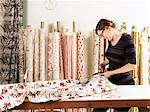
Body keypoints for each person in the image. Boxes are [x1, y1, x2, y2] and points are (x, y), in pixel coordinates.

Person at [93, 19, 136, 112]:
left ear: (108, 28)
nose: (102, 37)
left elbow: (131, 65)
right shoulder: (110, 40)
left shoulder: (126, 39)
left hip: (125, 84)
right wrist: (104, 63)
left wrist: (111, 72)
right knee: (97, 110)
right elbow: (114, 56)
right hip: (111, 83)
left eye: (101, 34)